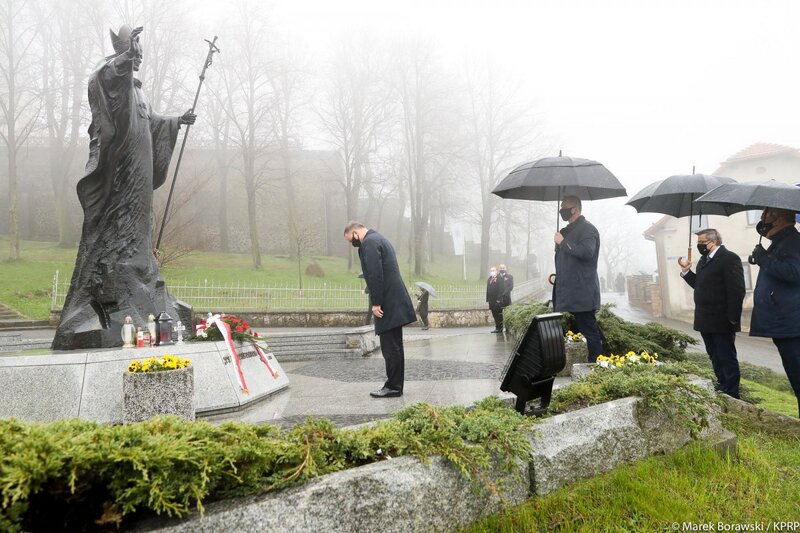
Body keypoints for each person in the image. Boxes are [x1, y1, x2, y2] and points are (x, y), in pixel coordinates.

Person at [52, 25, 196, 350]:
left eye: (141, 51)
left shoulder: (139, 92)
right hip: (122, 172)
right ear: (122, 50)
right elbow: (103, 79)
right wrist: (124, 59)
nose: (140, 55)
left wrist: (175, 121)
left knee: (142, 223)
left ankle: (142, 267)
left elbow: (153, 122)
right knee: (120, 224)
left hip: (142, 176)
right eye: (135, 50)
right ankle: (115, 274)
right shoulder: (113, 78)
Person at [345, 221, 416, 398]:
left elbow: (376, 273)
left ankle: (393, 386)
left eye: (350, 240)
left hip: (387, 303)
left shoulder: (368, 243)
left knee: (390, 348)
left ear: (355, 233)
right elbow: (384, 270)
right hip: (395, 299)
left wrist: (375, 303)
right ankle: (396, 385)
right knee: (396, 347)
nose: (353, 244)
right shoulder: (380, 239)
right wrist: (370, 288)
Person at [678, 229, 745, 398]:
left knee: (726, 355)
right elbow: (699, 285)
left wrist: (733, 318)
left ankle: (732, 392)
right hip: (705, 319)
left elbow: (737, 290)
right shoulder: (703, 260)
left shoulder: (729, 258)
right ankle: (722, 385)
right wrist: (686, 272)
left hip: (722, 319)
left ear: (713, 241)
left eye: (702, 243)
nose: (699, 246)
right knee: (714, 355)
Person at [748, 207, 800, 416]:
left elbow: (794, 273)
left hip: (791, 324)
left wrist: (764, 259)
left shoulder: (793, 241)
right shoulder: (780, 242)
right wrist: (762, 257)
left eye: (766, 214)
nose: (761, 218)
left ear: (778, 219)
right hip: (785, 324)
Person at [553, 196, 604, 362]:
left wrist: (563, 242)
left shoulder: (588, 229)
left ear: (574, 209)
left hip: (582, 290)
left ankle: (596, 363)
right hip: (567, 290)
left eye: (564, 207)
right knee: (576, 328)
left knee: (589, 329)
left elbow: (586, 252)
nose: (562, 210)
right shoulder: (566, 231)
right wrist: (560, 241)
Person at [486, 266, 505, 333]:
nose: (492, 272)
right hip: (491, 301)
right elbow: (488, 289)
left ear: (496, 271)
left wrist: (498, 300)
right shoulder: (490, 279)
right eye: (491, 270)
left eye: (493, 270)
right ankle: (497, 327)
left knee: (499, 315)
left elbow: (501, 290)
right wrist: (487, 299)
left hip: (497, 301)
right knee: (494, 314)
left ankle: (500, 328)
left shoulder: (499, 278)